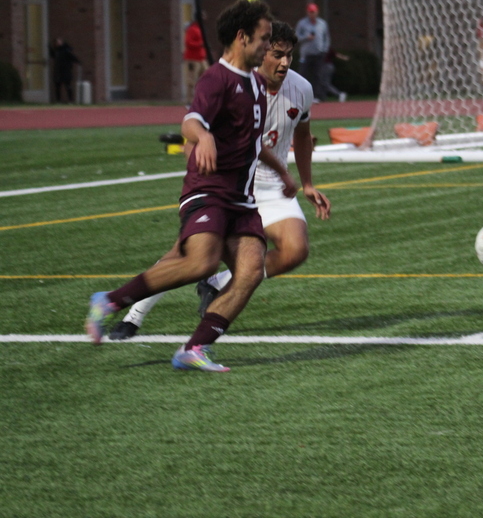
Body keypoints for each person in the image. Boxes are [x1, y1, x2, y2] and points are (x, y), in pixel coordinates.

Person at [85, 0, 284, 373]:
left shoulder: (257, 83)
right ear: (242, 38)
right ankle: (109, 301)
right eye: (263, 38)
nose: (268, 46)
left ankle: (194, 348)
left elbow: (254, 141)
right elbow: (191, 120)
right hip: (207, 191)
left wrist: (284, 173)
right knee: (201, 262)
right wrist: (202, 137)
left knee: (251, 272)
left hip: (241, 200)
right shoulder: (216, 78)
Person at [108, 21, 331, 342]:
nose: (284, 63)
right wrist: (202, 178)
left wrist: (307, 184)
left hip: (272, 187)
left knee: (295, 250)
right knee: (187, 257)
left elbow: (303, 135)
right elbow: (191, 133)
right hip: (229, 185)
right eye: (277, 55)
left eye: (289, 56)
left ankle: (215, 286)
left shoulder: (302, 89)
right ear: (259, 52)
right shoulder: (231, 84)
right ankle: (133, 315)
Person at [296, 3, 330, 102]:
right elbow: (296, 37)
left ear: (317, 12)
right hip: (306, 54)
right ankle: (301, 96)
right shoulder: (302, 23)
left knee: (318, 75)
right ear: (307, 12)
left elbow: (326, 37)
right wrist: (306, 37)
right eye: (310, 12)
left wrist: (325, 49)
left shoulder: (322, 23)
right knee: (303, 75)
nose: (312, 14)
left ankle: (316, 96)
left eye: (314, 12)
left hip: (319, 54)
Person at [184, 11, 209, 106]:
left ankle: (203, 98)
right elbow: (188, 42)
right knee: (191, 79)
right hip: (192, 58)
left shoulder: (200, 29)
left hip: (201, 58)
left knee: (207, 77)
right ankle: (189, 101)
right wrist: (199, 44)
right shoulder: (192, 29)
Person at [50, 38, 80, 104]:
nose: (58, 43)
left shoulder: (66, 50)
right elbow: (53, 55)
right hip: (58, 71)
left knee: (68, 86)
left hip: (66, 71)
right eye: (57, 42)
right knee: (57, 87)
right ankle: (58, 101)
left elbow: (72, 57)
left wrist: (78, 62)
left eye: (59, 42)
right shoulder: (56, 51)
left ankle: (71, 100)